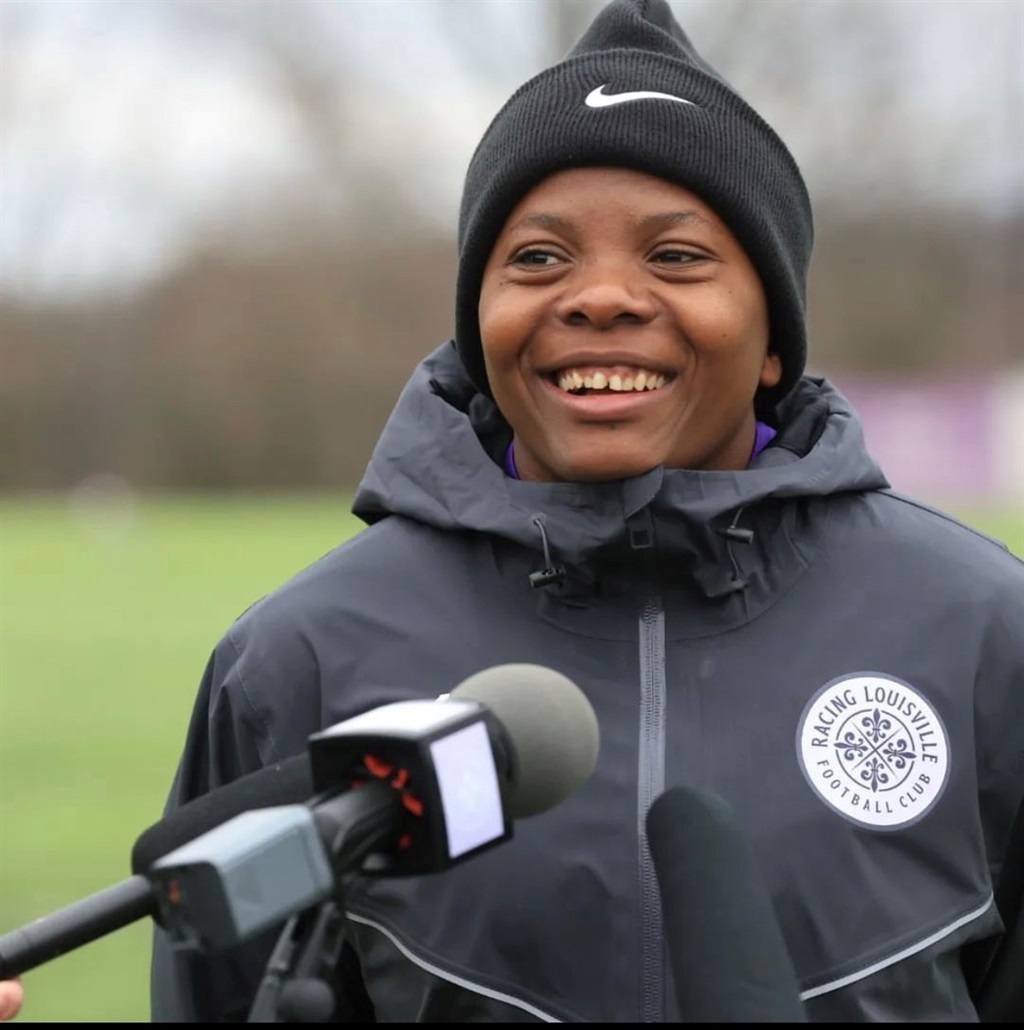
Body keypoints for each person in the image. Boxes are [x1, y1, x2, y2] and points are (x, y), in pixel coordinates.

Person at [148, 0, 1024, 1021]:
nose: (600, 296)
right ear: (480, 324)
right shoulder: (299, 656)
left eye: (677, 255)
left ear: (776, 336)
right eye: (537, 258)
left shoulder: (979, 631)